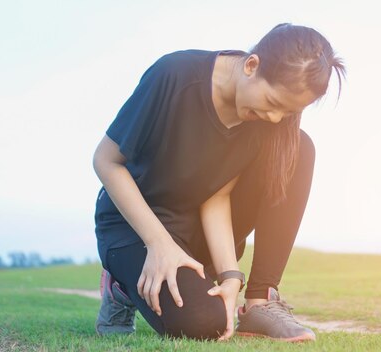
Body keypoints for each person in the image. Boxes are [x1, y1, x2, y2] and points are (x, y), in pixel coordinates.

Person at [91, 23, 345, 342]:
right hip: (136, 228)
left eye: (287, 111)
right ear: (252, 65)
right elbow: (106, 160)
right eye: (273, 102)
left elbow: (216, 196)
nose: (275, 118)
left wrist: (230, 277)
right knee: (203, 323)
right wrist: (159, 244)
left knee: (298, 147)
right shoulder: (174, 75)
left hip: (194, 230)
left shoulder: (266, 119)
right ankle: (121, 286)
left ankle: (260, 303)